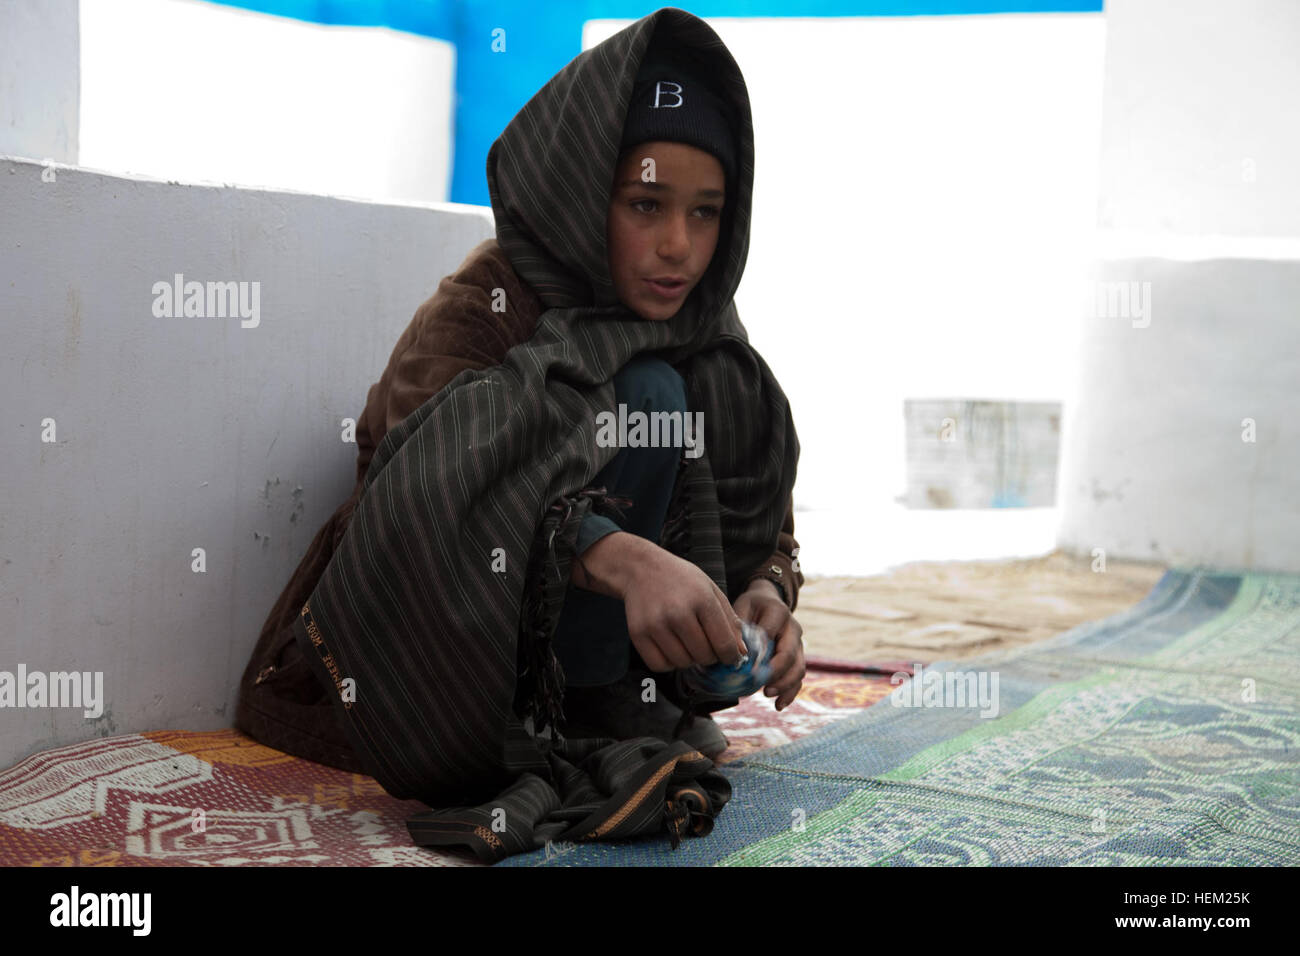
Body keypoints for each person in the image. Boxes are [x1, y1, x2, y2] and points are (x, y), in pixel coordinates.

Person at [235, 7, 802, 859]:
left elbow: (763, 510)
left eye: (706, 212)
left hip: (614, 680)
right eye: (646, 204)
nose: (678, 246)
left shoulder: (704, 326)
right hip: (430, 645)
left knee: (671, 384)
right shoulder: (491, 301)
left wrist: (766, 592)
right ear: (584, 190)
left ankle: (608, 708)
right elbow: (423, 489)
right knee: (643, 389)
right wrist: (614, 552)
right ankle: (549, 724)